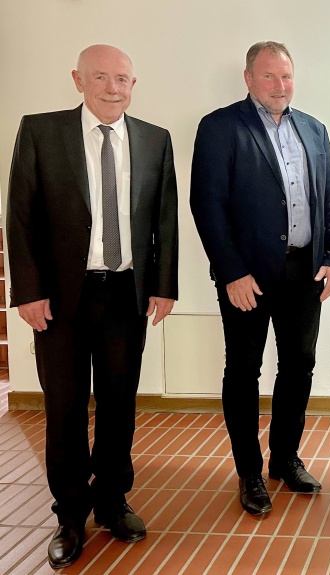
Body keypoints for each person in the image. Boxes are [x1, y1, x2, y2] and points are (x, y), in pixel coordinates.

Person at [6, 44, 178, 568]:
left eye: (122, 79)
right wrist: (27, 291)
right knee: (64, 407)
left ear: (133, 85)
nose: (112, 88)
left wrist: (164, 285)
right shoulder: (41, 131)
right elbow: (20, 215)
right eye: (100, 77)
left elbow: (164, 219)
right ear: (78, 79)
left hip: (125, 293)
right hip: (60, 298)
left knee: (119, 404)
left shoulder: (154, 139)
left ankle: (112, 500)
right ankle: (69, 515)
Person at [190, 41, 330, 516]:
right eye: (269, 76)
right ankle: (249, 472)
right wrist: (231, 272)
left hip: (305, 271)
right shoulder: (220, 127)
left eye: (286, 76)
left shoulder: (314, 129)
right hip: (248, 277)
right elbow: (207, 205)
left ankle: (285, 458)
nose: (280, 86)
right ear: (248, 78)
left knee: (299, 365)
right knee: (243, 371)